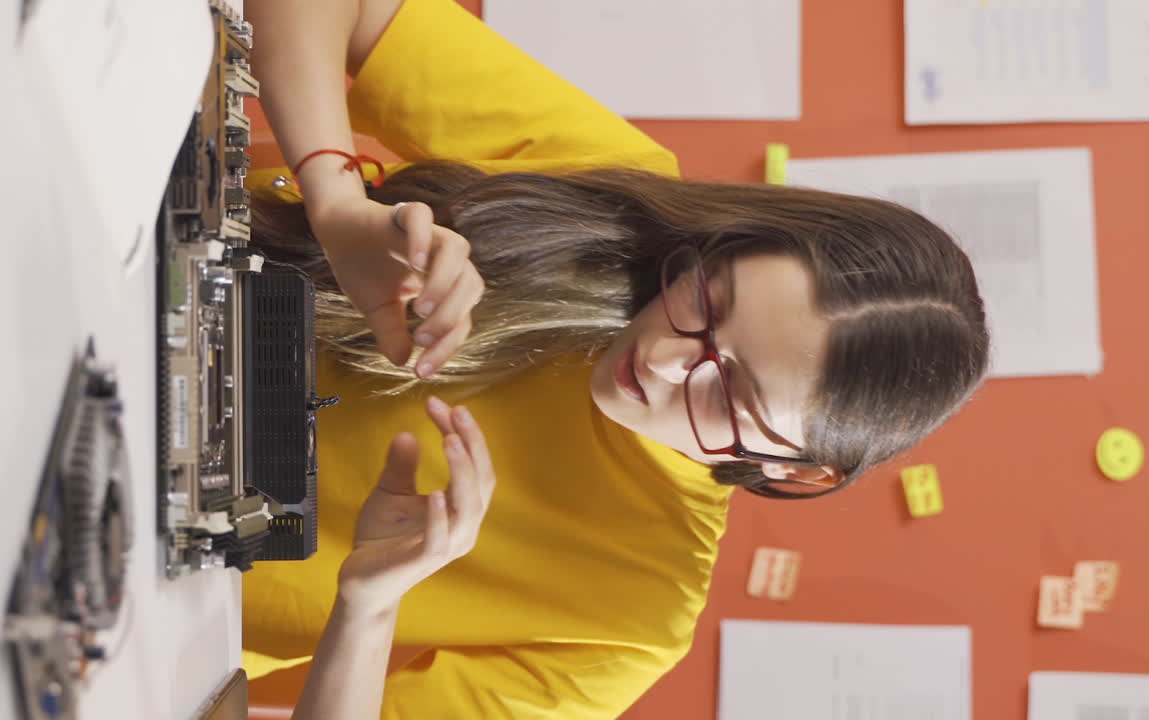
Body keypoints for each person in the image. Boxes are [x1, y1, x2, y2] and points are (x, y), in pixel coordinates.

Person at [242, 0, 991, 718]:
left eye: (729, 395)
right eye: (708, 297)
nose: (664, 358)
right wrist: (336, 201)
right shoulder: (615, 181)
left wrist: (367, 608)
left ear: (794, 469)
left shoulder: (635, 616)